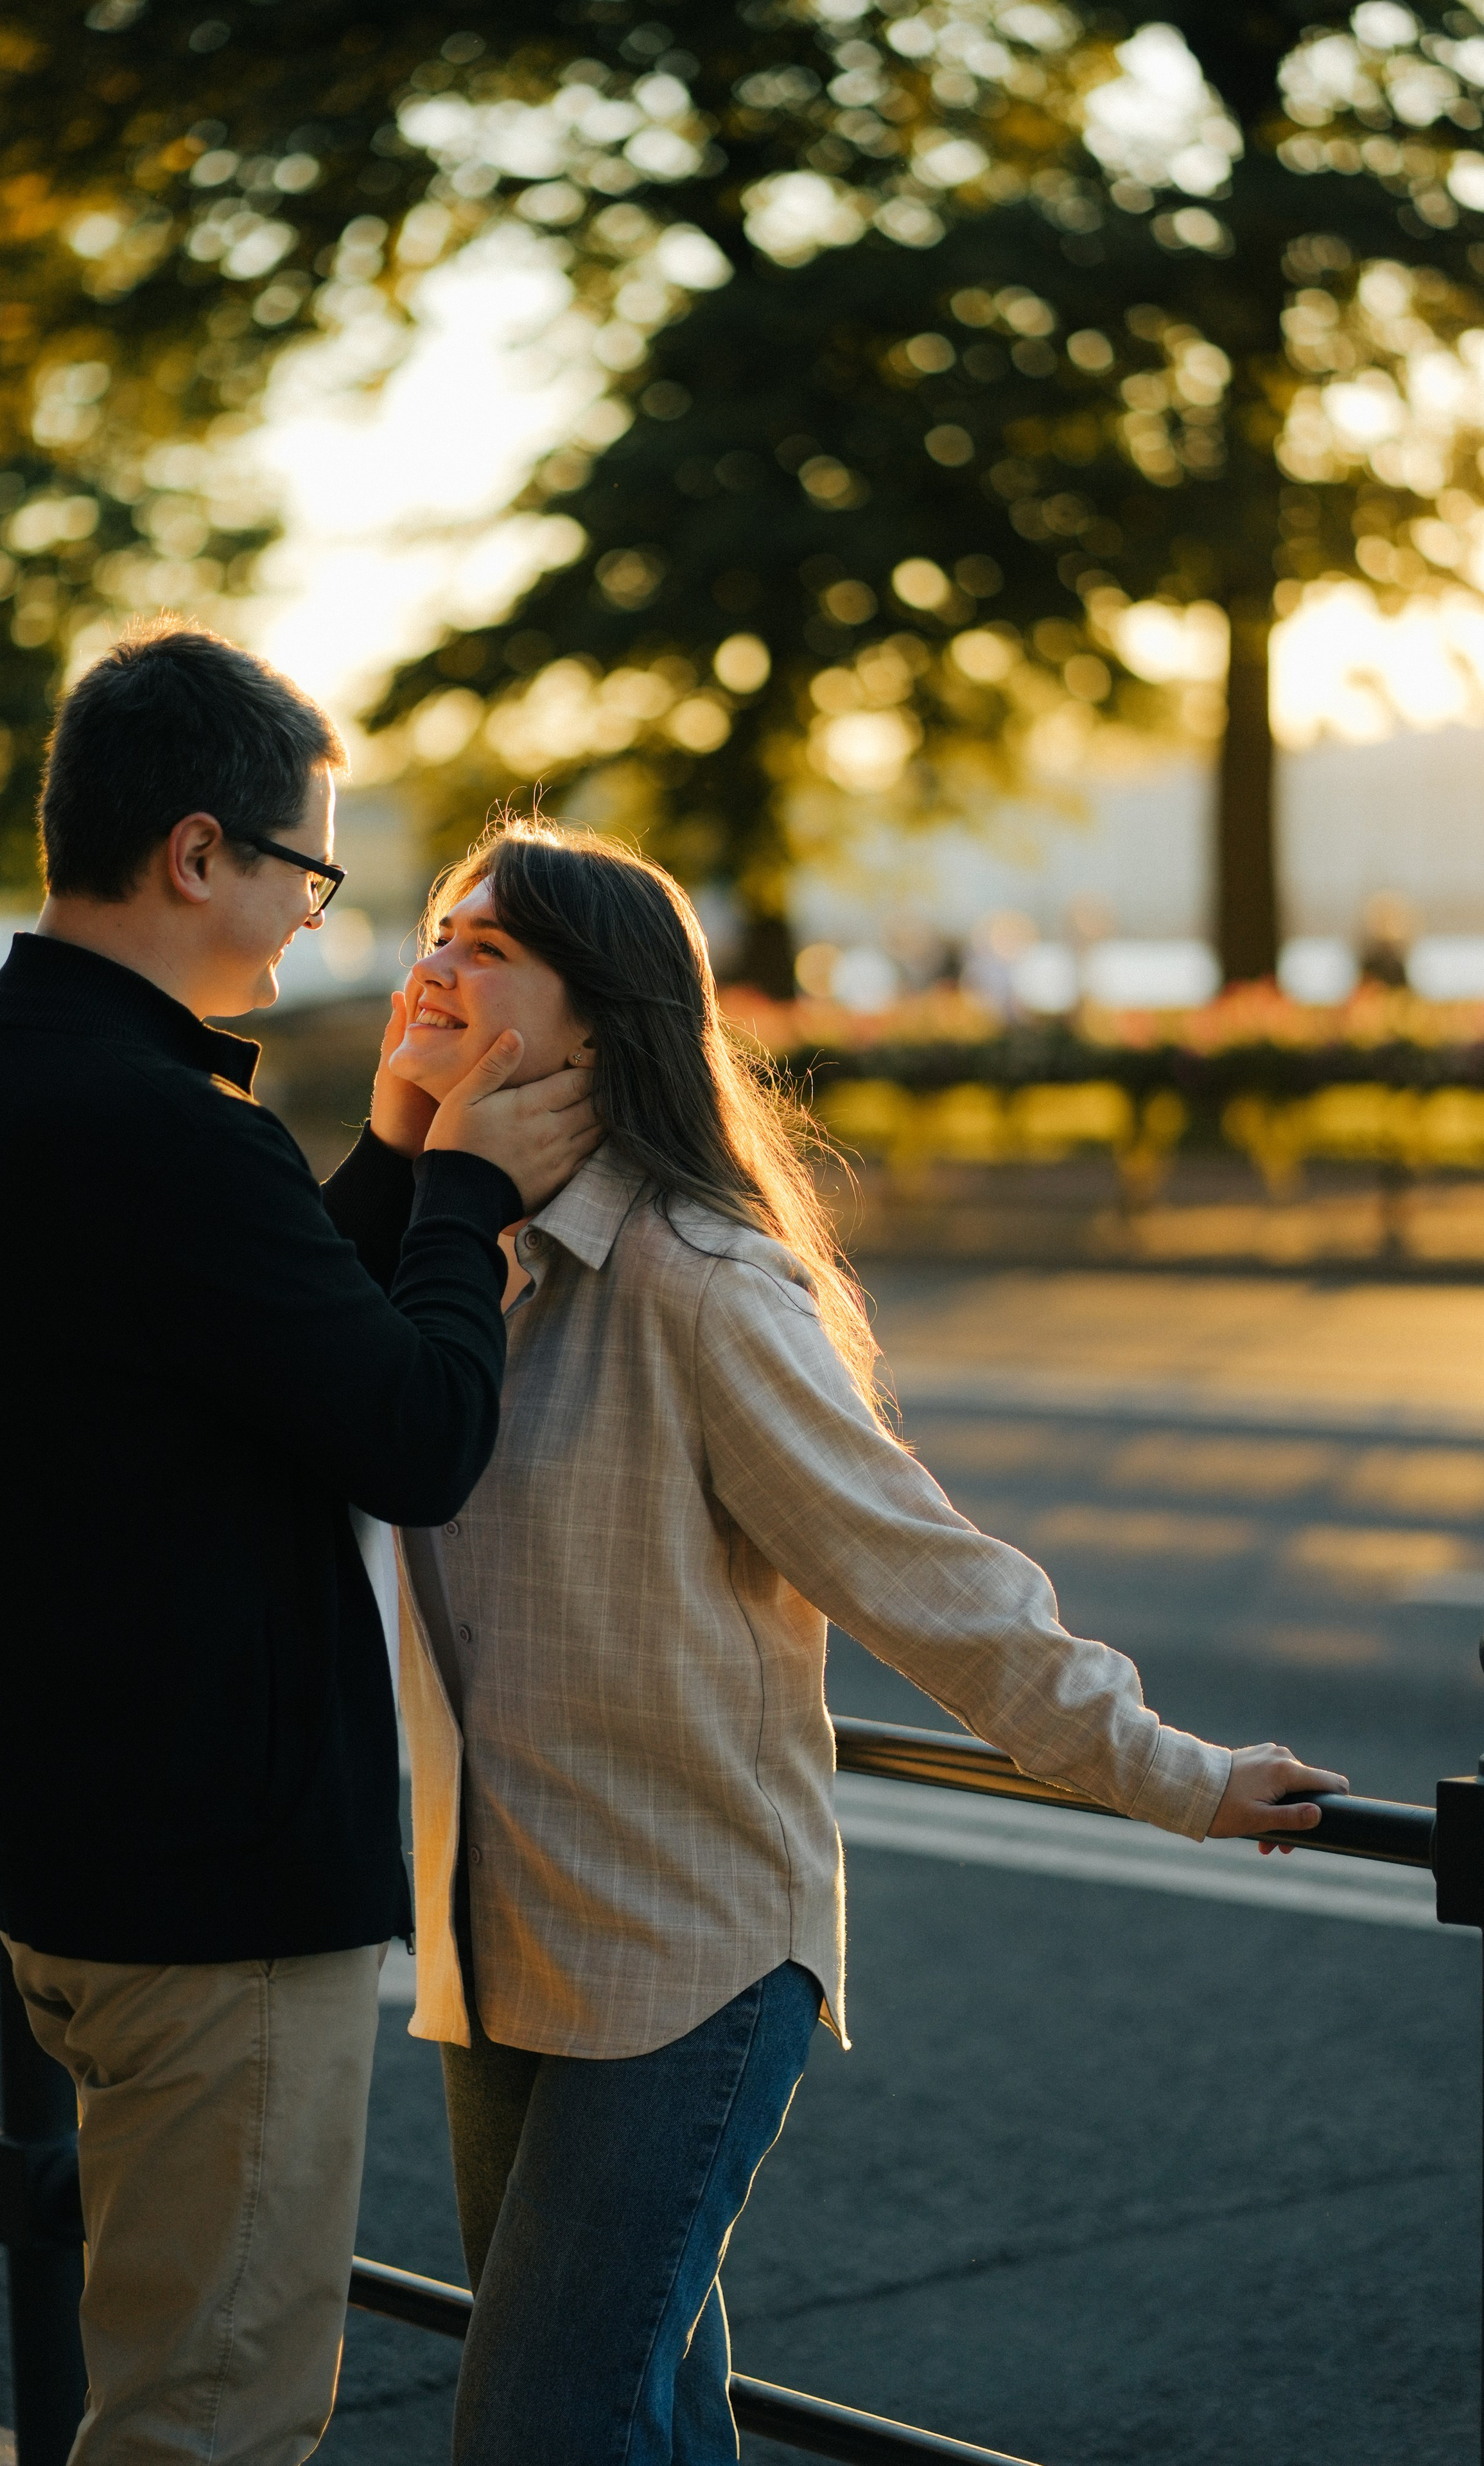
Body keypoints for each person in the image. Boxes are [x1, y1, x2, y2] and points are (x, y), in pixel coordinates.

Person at [372, 816, 1347, 2466]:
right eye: (436, 930)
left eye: (490, 947)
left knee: (539, 2433)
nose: (434, 963)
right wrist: (410, 1156)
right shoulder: (467, 1265)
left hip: (678, 1960)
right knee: (638, 2416)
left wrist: (1170, 1774)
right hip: (500, 1940)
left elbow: (921, 1575)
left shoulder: (696, 1283)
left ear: (598, 1024)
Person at [0, 625, 598, 2466]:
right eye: (309, 873)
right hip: (217, 1894)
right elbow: (413, 1435)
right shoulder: (161, 1125)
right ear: (200, 852)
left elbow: (240, 1338)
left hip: (76, 1857)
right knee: (214, 2425)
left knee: (168, 2395)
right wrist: (467, 1192)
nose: (312, 919)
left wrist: (388, 1156)